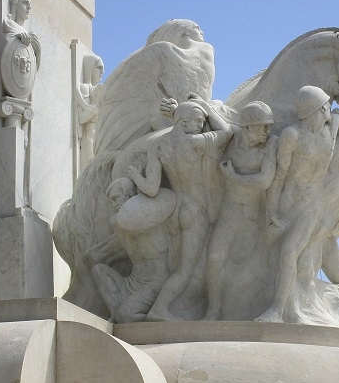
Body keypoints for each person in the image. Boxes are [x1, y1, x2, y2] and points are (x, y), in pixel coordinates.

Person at [130, 98, 233, 321]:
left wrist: (136, 176)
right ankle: (159, 309)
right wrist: (206, 106)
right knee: (185, 271)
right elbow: (228, 131)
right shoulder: (195, 143)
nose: (201, 124)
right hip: (196, 214)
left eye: (203, 121)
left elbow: (150, 188)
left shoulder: (157, 146)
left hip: (177, 212)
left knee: (185, 268)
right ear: (183, 120)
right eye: (197, 120)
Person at [259, 86, 339, 323]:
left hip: (312, 204)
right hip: (288, 201)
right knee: (271, 255)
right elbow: (280, 174)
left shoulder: (333, 127)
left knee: (289, 251)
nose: (330, 109)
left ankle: (277, 309)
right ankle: (286, 307)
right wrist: (271, 209)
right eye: (326, 105)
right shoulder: (292, 135)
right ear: (317, 109)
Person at [204, 101, 278, 320]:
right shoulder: (233, 137)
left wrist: (233, 177)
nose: (268, 131)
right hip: (229, 211)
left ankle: (240, 311)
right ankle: (213, 309)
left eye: (269, 126)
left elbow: (265, 180)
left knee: (246, 267)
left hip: (253, 217)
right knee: (215, 258)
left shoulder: (270, 145)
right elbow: (214, 120)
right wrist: (199, 104)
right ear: (247, 127)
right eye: (263, 126)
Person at [90, 177, 175, 323]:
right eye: (111, 201)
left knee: (126, 315)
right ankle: (116, 313)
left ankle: (144, 318)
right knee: (98, 271)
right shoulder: (116, 222)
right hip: (132, 282)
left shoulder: (150, 215)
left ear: (129, 196)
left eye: (116, 198)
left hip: (154, 281)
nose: (114, 204)